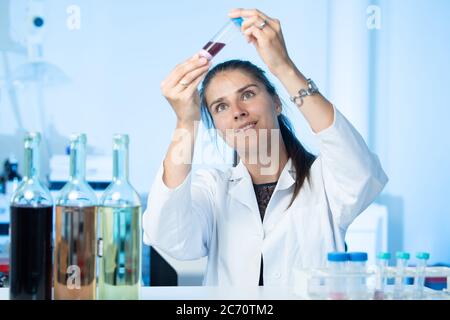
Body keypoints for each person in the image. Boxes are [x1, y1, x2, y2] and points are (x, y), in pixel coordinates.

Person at [143, 8, 388, 286]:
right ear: (215, 126)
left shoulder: (324, 181)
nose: (237, 111)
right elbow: (168, 236)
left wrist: (284, 67)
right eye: (221, 106)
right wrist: (185, 122)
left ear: (277, 102)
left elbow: (363, 174)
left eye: (247, 94)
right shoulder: (212, 189)